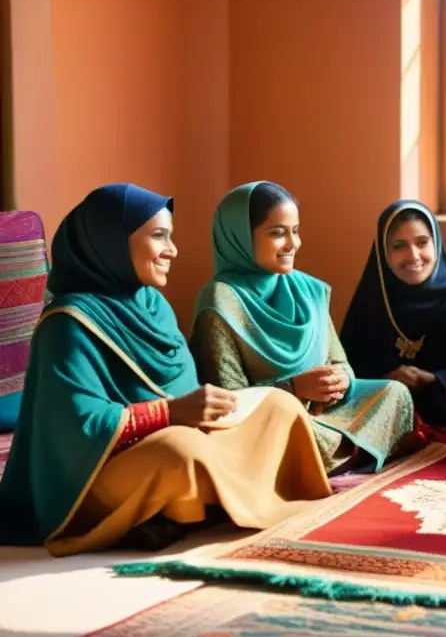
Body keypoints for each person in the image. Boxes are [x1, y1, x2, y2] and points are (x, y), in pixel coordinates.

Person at [0, 184, 332, 556]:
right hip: (97, 469)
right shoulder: (68, 322)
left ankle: (184, 508)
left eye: (170, 237)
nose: (172, 250)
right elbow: (80, 424)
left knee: (277, 408)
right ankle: (181, 508)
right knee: (180, 452)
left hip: (177, 436)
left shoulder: (153, 304)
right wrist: (171, 413)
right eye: (159, 237)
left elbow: (183, 388)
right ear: (112, 241)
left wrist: (204, 410)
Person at [190, 182, 414, 474]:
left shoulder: (307, 289)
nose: (293, 243)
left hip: (328, 412)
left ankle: (326, 461)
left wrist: (341, 381)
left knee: (395, 393)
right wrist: (293, 389)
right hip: (274, 419)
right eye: (277, 233)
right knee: (288, 424)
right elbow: (229, 398)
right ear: (240, 237)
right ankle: (347, 455)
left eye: (294, 231)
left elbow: (340, 362)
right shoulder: (220, 300)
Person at [339, 200, 446, 433]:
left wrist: (431, 379)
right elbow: (348, 370)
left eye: (422, 243)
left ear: (436, 245)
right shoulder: (373, 298)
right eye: (399, 246)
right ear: (383, 252)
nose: (414, 256)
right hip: (381, 417)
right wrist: (386, 379)